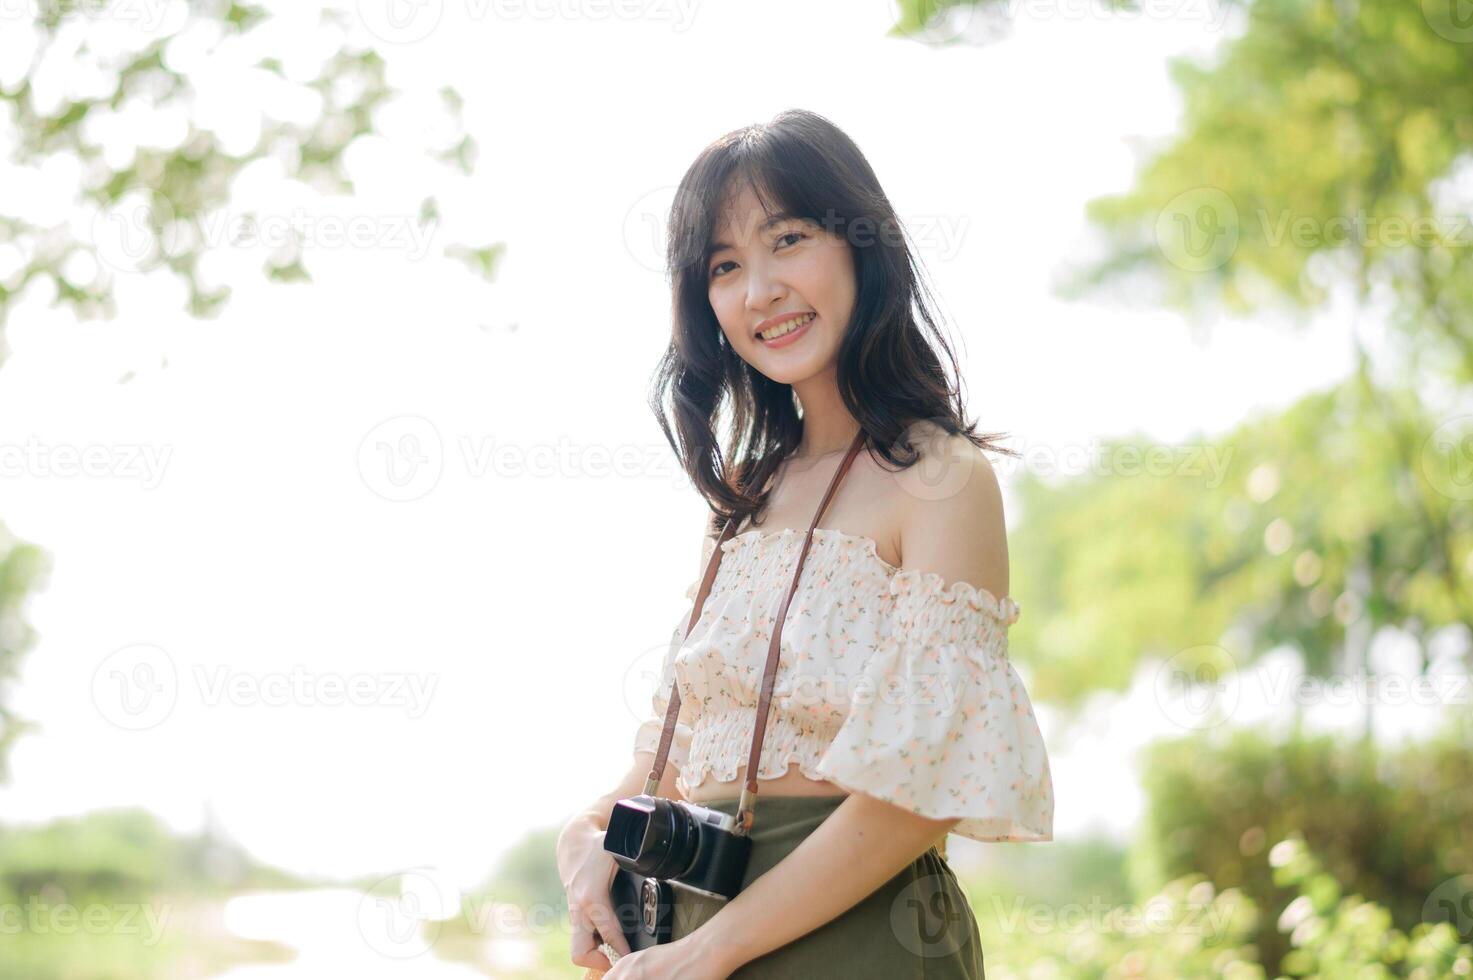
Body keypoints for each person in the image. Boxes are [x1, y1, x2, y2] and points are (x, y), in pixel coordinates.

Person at [555, 108, 1054, 979]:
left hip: (858, 939)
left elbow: (918, 791)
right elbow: (679, 757)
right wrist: (589, 835)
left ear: (863, 247)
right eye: (725, 265)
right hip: (691, 939)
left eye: (787, 239)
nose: (760, 291)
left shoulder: (939, 477)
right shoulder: (737, 505)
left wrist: (713, 950)